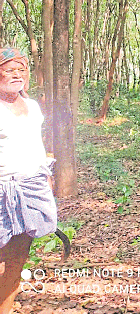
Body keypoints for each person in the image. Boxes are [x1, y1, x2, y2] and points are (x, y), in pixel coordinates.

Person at [0, 48, 57, 313]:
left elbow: (37, 143)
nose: (17, 75)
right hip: (2, 189)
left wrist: (46, 174)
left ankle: (5, 307)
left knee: (18, 255)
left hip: (31, 186)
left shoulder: (32, 107)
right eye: (9, 69)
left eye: (21, 70)